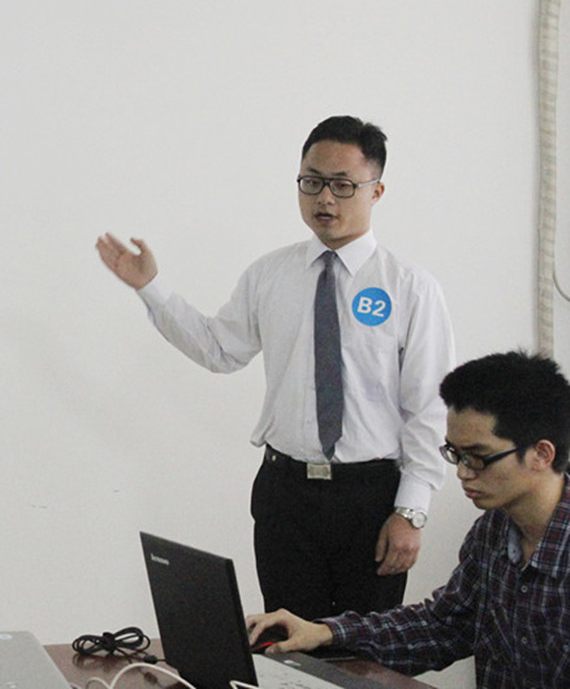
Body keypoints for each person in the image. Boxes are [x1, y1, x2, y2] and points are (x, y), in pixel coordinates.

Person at [96, 115, 455, 619]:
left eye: (342, 185)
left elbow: (429, 407)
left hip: (371, 497)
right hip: (286, 495)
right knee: (287, 641)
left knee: (366, 646)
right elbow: (219, 349)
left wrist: (411, 510)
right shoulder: (270, 275)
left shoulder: (410, 287)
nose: (324, 198)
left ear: (376, 191)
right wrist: (150, 288)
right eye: (312, 182)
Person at [246, 350, 570, 689]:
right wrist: (324, 633)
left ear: (541, 454)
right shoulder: (493, 531)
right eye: (455, 454)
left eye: (478, 457)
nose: (462, 472)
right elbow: (440, 626)